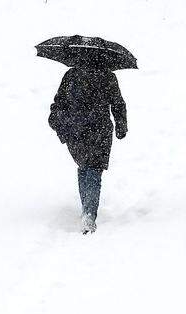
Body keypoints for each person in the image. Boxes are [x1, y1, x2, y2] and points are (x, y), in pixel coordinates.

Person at [48, 67, 127, 234]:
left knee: (85, 167)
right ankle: (88, 214)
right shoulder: (107, 76)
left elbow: (58, 103)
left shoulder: (71, 74)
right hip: (99, 130)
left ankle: (87, 209)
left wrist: (60, 125)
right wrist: (121, 125)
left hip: (76, 131)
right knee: (93, 169)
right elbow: (118, 103)